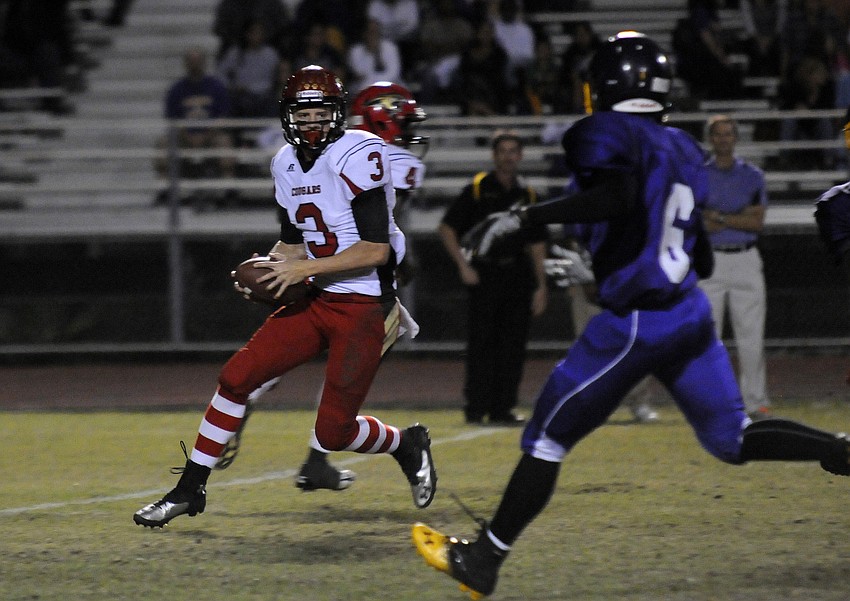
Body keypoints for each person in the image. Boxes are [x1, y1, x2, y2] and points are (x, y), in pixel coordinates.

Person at [410, 32, 850, 599]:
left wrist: (525, 219)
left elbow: (617, 198)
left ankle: (484, 560)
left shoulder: (607, 134)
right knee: (732, 436)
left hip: (638, 323)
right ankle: (838, 448)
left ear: (605, 86)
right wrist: (602, 268)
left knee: (546, 439)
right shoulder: (684, 147)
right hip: (688, 313)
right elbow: (697, 254)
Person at [134, 65, 437, 527]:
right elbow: (293, 244)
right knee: (236, 378)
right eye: (303, 114)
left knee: (333, 432)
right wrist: (268, 267)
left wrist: (303, 269)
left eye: (320, 113)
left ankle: (405, 443)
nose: (311, 123)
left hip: (363, 305)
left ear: (337, 114)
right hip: (317, 297)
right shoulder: (284, 163)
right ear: (287, 116)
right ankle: (189, 489)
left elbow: (375, 250)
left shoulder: (360, 152)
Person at [215, 80, 429, 492]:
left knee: (309, 372)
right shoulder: (372, 155)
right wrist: (284, 268)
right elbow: (373, 238)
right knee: (340, 384)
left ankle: (300, 444)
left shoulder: (320, 155)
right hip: (355, 285)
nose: (408, 134)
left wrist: (284, 266)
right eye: (403, 123)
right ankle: (323, 455)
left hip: (330, 276)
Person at [439, 130, 548, 426]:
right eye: (503, 151)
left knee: (513, 345)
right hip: (485, 274)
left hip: (518, 274)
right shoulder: (477, 189)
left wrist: (541, 285)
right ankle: (475, 408)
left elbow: (537, 243)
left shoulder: (528, 195)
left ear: (520, 156)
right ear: (494, 155)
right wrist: (463, 266)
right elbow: (447, 228)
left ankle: (504, 408)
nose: (508, 157)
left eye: (513, 151)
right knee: (482, 344)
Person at [699, 115, 771, 419]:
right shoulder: (699, 175)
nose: (724, 139)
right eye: (718, 134)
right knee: (708, 338)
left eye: (728, 134)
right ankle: (712, 404)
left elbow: (756, 223)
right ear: (710, 139)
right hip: (711, 259)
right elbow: (698, 224)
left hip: (745, 258)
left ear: (736, 138)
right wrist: (736, 217)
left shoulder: (752, 176)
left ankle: (755, 402)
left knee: (751, 337)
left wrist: (720, 217)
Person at [154, 48, 236, 187]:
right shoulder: (176, 89)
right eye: (191, 61)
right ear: (186, 64)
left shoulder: (216, 86)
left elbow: (223, 116)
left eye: (198, 61)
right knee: (163, 144)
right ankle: (163, 188)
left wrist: (206, 135)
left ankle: (229, 188)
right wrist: (188, 136)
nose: (195, 65)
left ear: (204, 62)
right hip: (184, 137)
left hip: (212, 136)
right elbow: (172, 118)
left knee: (225, 143)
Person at [216, 20, 281, 118]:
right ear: (247, 34)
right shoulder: (236, 53)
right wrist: (231, 86)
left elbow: (273, 79)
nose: (256, 36)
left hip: (264, 96)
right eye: (253, 33)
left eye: (259, 33)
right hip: (240, 96)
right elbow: (221, 73)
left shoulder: (270, 54)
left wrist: (251, 88)